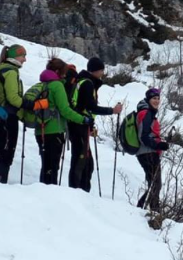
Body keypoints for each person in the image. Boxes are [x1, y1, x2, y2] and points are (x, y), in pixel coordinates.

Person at [66, 57, 123, 192]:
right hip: (79, 126)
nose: (102, 73)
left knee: (86, 163)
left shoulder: (83, 81)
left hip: (79, 125)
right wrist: (112, 111)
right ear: (96, 70)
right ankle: (76, 193)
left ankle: (80, 192)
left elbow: (82, 106)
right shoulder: (87, 83)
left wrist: (90, 127)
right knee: (81, 162)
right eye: (101, 70)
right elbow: (90, 107)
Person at [36, 58, 93, 185]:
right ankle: (51, 196)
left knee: (46, 166)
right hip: (54, 130)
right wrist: (83, 119)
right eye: (63, 72)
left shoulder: (42, 84)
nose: (65, 75)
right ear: (57, 71)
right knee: (53, 167)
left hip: (40, 129)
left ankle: (41, 194)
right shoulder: (57, 85)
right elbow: (65, 110)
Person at [0, 44, 37, 183]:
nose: (24, 59)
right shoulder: (11, 72)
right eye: (23, 56)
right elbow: (13, 98)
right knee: (7, 152)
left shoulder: (1, 70)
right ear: (15, 56)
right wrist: (31, 105)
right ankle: (0, 182)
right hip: (8, 117)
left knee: (3, 151)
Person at [135, 88, 168, 211]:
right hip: (147, 152)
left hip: (147, 152)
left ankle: (145, 208)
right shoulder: (146, 113)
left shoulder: (148, 112)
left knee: (153, 183)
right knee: (155, 183)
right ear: (148, 99)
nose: (157, 101)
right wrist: (158, 145)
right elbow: (143, 136)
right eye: (154, 98)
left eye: (158, 98)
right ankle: (153, 210)